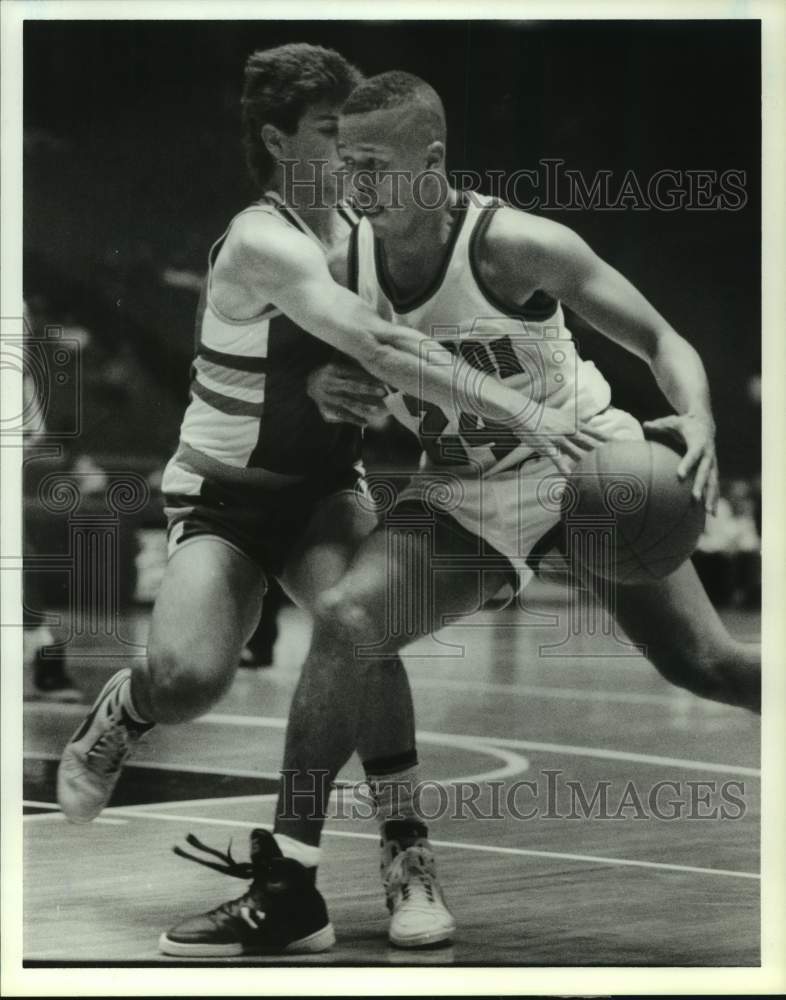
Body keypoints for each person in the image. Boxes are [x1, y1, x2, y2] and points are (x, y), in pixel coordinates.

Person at [58, 47, 596, 957]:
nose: (350, 148)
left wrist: (358, 391)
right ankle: (126, 710)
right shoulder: (263, 237)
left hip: (321, 494)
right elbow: (377, 340)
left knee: (361, 629)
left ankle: (406, 855)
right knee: (190, 680)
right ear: (275, 139)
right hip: (225, 498)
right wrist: (511, 405)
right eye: (327, 131)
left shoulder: (369, 224)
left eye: (358, 132)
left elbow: (402, 342)